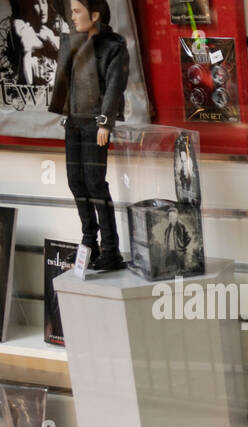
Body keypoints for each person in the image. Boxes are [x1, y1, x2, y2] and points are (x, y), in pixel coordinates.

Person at [48, 0, 128, 272]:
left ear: (95, 15)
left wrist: (105, 123)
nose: (72, 16)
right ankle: (88, 241)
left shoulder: (114, 47)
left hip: (95, 124)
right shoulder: (73, 42)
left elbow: (115, 86)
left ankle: (110, 248)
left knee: (95, 183)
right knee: (76, 182)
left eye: (77, 11)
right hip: (74, 123)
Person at [6, 0, 66, 87]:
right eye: (36, 4)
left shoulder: (58, 22)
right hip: (35, 86)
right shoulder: (23, 27)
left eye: (44, 2)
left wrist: (52, 39)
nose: (42, 9)